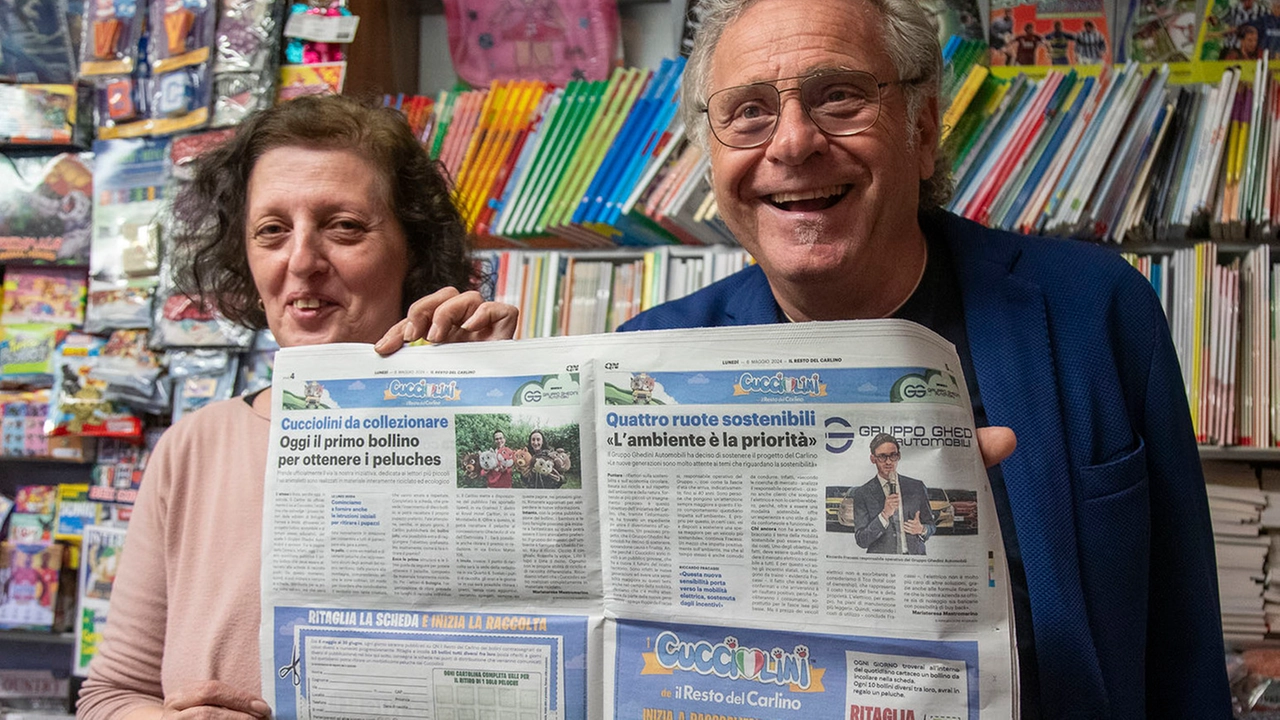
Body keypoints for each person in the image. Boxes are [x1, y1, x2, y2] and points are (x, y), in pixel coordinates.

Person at [617, 0, 1229, 716]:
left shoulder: (1097, 311)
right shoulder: (644, 370)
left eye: (838, 95)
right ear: (711, 155)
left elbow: (1184, 648)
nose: (792, 142)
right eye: (748, 111)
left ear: (924, 129)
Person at [77, 94, 519, 720]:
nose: (303, 262)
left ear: (412, 249)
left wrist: (503, 392)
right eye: (272, 231)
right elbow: (109, 697)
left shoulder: (488, 420)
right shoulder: (195, 448)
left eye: (344, 227)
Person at [848, 434, 935, 555]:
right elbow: (861, 540)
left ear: (898, 456)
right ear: (873, 459)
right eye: (882, 457)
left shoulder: (917, 487)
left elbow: (931, 525)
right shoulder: (862, 493)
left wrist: (922, 529)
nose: (888, 462)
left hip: (915, 559)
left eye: (893, 456)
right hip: (882, 564)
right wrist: (884, 515)